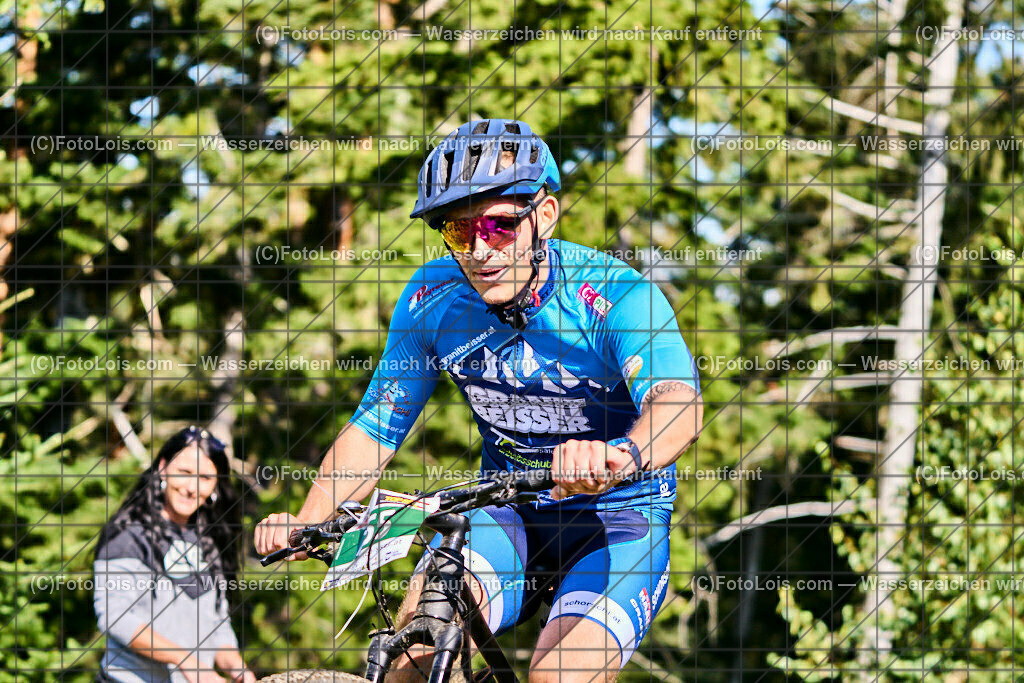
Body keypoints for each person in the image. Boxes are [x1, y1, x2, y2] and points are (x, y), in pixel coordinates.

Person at [255, 119, 703, 681]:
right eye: (458, 232)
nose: (480, 250)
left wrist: (623, 456)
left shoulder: (616, 295)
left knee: (559, 676)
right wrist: (309, 520)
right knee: (415, 656)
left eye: (498, 225)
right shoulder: (431, 298)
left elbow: (678, 404)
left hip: (617, 519)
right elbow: (374, 429)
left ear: (544, 216)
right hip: (508, 511)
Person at [94, 425, 255, 683]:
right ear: (162, 469)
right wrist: (184, 660)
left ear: (215, 485)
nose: (192, 488)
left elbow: (216, 623)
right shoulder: (128, 537)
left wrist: (237, 668)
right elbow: (116, 618)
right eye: (184, 472)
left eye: (204, 478)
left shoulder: (210, 541)